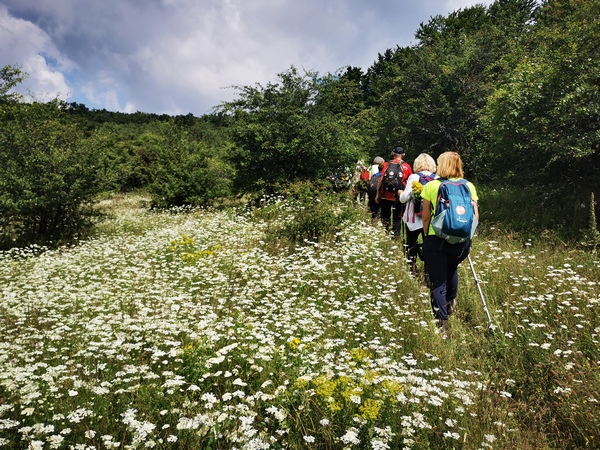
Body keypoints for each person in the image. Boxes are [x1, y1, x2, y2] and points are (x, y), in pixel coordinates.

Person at [421, 151, 479, 336]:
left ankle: (442, 323)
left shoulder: (431, 186)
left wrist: (427, 236)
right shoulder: (469, 186)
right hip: (461, 240)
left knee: (438, 280)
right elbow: (475, 216)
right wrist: (467, 237)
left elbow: (425, 217)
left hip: (436, 239)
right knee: (452, 269)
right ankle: (450, 301)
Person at [399, 153, 437, 272]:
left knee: (410, 244)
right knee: (429, 245)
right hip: (431, 219)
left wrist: (400, 193)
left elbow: (404, 198)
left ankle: (411, 269)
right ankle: (427, 272)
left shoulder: (414, 177)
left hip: (413, 218)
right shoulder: (437, 178)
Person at [376, 147, 412, 236]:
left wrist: (378, 194)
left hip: (386, 195)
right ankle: (395, 236)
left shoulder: (386, 164)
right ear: (403, 155)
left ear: (393, 154)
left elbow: (381, 179)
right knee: (397, 218)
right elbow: (410, 182)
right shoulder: (406, 166)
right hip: (399, 196)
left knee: (385, 216)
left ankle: (384, 234)